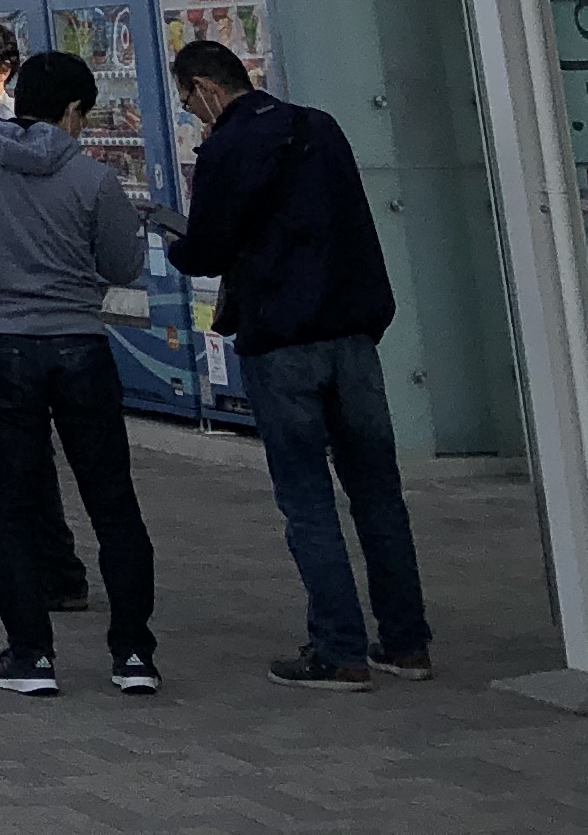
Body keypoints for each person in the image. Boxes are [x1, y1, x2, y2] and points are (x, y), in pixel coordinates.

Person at [167, 37, 431, 692]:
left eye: (188, 102)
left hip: (281, 341)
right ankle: (406, 644)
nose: (192, 115)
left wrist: (173, 237)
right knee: (379, 495)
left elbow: (205, 251)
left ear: (203, 86)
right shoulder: (320, 127)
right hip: (353, 333)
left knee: (308, 500)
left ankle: (338, 650)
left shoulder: (226, 148)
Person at [0, 47, 159, 700]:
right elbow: (123, 266)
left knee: (13, 507)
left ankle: (31, 656)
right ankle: (133, 655)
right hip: (81, 347)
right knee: (113, 502)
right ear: (75, 110)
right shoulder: (93, 177)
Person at [0, 16, 89, 617]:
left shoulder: (10, 129)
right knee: (6, 446)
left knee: (8, 445)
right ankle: (40, 561)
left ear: (4, 70)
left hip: (15, 314)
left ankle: (41, 566)